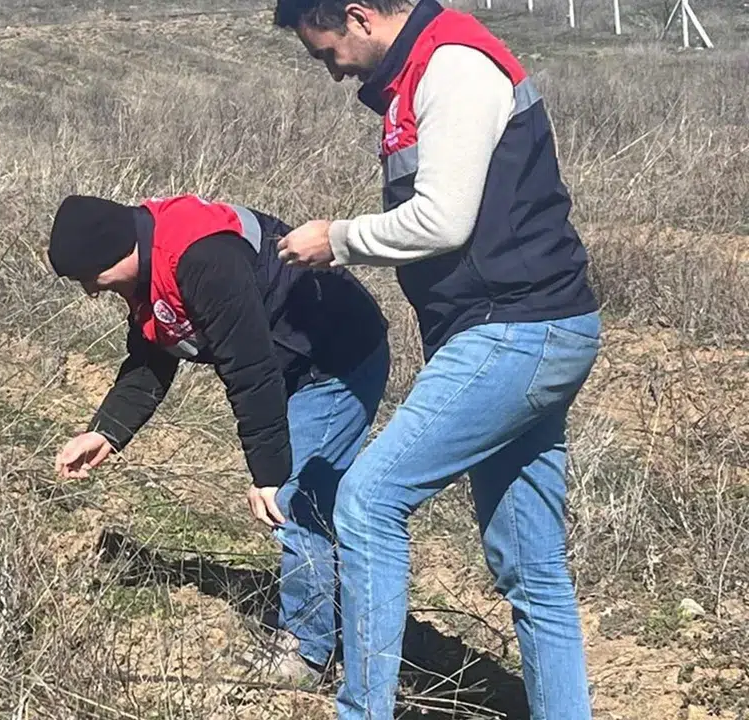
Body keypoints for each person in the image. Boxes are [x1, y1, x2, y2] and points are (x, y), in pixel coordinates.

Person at [272, 0, 602, 717]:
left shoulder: (452, 66)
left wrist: (341, 238)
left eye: (327, 52)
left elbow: (445, 217)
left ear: (359, 16)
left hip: (515, 330)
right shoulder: (421, 72)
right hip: (529, 329)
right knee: (531, 567)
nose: (330, 71)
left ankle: (362, 710)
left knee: (365, 503)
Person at [47, 192, 390, 681]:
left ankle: (307, 651)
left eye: (90, 279)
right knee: (298, 494)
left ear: (116, 254)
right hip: (289, 363)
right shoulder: (149, 266)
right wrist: (106, 431)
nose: (90, 292)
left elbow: (249, 369)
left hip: (337, 362)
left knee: (296, 498)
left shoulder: (202, 257)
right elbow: (152, 357)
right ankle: (323, 624)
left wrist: (270, 473)